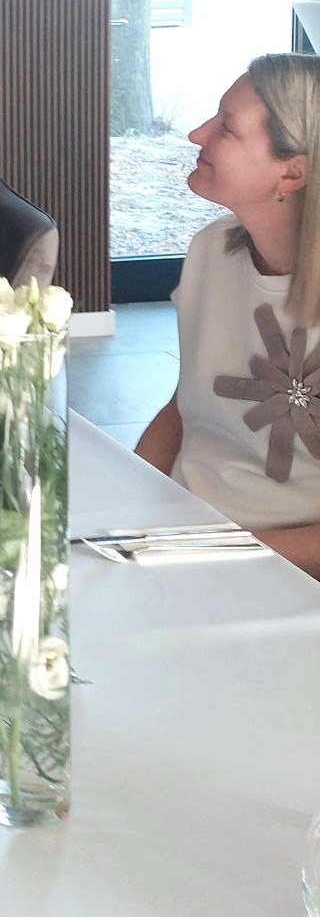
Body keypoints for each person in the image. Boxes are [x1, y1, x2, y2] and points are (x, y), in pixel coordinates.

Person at [135, 54, 320, 577]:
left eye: (227, 128)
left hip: (287, 577)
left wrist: (220, 552)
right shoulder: (210, 253)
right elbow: (187, 405)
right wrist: (124, 501)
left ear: (292, 171)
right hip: (183, 537)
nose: (197, 134)